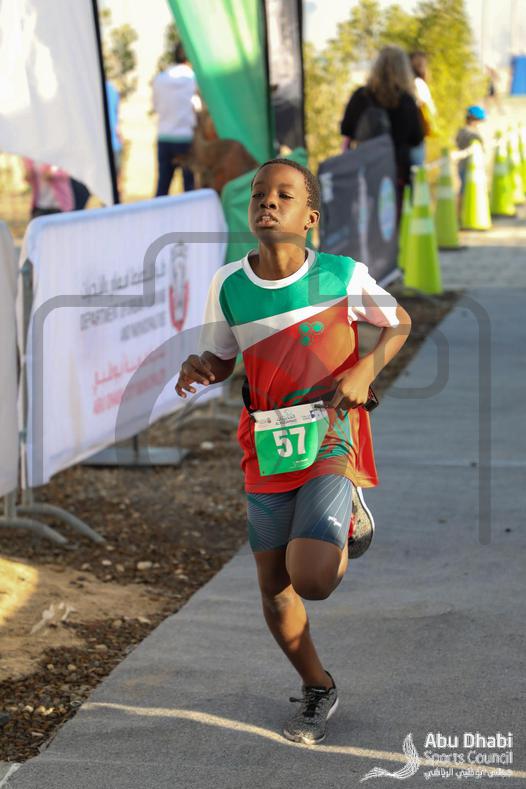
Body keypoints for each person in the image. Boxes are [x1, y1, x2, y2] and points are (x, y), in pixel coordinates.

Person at [175, 158, 412, 745]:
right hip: (267, 442)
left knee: (313, 580)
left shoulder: (340, 275)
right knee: (274, 587)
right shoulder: (229, 285)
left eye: (284, 195)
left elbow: (399, 323)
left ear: (310, 218)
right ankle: (317, 686)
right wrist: (201, 366)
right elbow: (223, 358)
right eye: (260, 193)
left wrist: (365, 369)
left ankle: (347, 507)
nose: (268, 202)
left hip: (330, 430)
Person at [340, 46, 424, 211]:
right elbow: (416, 138)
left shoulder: (360, 96)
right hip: (396, 172)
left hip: (364, 170)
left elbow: (346, 129)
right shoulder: (406, 101)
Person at [152, 42, 200, 195]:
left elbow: (156, 107)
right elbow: (198, 107)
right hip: (186, 138)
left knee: (162, 187)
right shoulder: (194, 79)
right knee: (189, 189)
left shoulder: (160, 79)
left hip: (164, 136)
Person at [409, 51, 437, 166]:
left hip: (406, 136)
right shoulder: (418, 83)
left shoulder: (405, 84)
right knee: (418, 170)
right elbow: (430, 110)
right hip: (416, 134)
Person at [455, 105, 486, 201]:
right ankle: (460, 209)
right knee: (465, 191)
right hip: (466, 166)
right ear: (475, 120)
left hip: (468, 166)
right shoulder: (469, 132)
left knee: (467, 191)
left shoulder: (464, 131)